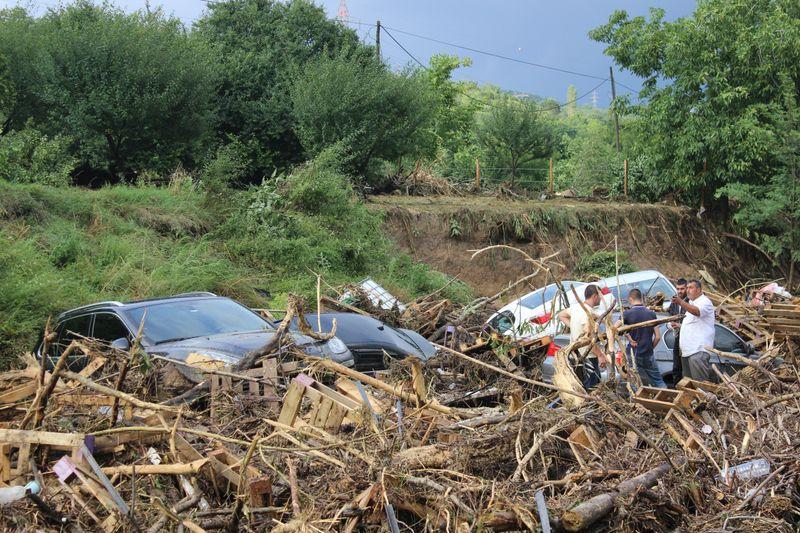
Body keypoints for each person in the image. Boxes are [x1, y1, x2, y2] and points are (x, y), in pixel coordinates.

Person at [558, 285, 607, 389]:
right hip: (588, 356)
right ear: (594, 296)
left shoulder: (575, 308)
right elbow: (589, 338)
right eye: (600, 296)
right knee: (591, 388)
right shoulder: (588, 312)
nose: (601, 299)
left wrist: (572, 325)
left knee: (582, 386)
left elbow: (561, 315)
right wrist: (600, 355)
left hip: (576, 355)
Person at [618, 288, 666, 388]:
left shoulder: (626, 314)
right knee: (658, 380)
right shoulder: (651, 314)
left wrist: (629, 337)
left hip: (633, 353)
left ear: (631, 299)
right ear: (642, 299)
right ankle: (668, 397)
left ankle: (637, 402)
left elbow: (615, 328)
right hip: (648, 354)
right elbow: (657, 337)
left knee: (634, 382)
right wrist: (650, 348)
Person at [671, 279, 716, 382]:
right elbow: (694, 325)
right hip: (687, 351)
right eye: (687, 288)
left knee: (700, 385)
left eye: (691, 287)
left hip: (698, 350)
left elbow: (697, 312)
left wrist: (681, 302)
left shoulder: (705, 301)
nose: (688, 290)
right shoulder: (691, 303)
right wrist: (680, 326)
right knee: (689, 385)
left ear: (699, 290)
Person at [667, 278, 688, 384]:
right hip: (677, 337)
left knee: (686, 367)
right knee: (676, 366)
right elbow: (670, 315)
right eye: (678, 289)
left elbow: (693, 323)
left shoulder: (691, 302)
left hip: (688, 339)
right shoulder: (675, 301)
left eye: (682, 289)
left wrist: (680, 325)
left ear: (687, 288)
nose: (680, 291)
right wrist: (670, 324)